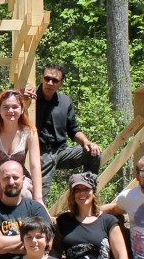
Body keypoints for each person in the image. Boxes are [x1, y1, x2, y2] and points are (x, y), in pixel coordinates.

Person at [32, 63, 102, 201]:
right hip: (40, 153)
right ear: (41, 78)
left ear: (61, 83)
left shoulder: (65, 101)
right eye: (47, 78)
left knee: (94, 153)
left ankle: (87, 193)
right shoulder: (30, 97)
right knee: (39, 193)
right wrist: (19, 95)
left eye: (55, 80)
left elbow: (73, 130)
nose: (50, 83)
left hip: (61, 151)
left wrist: (87, 142)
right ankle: (37, 218)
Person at [0, 89, 43, 206]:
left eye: (15, 107)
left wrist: (39, 198)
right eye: (6, 107)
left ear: (22, 110)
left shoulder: (30, 132)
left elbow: (35, 165)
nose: (10, 111)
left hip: (18, 178)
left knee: (24, 194)